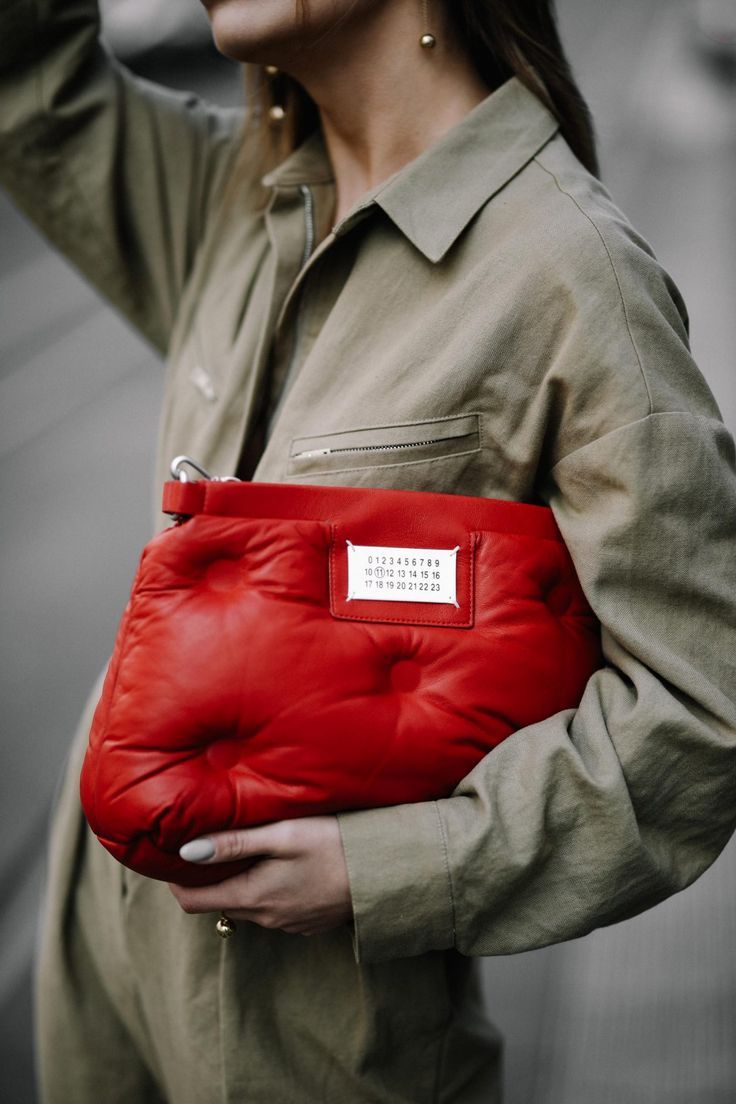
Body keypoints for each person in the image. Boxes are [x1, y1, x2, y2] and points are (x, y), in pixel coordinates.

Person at [2, 1, 735, 1101]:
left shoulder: (570, 275)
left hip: (314, 1052)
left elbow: (699, 708)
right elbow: (26, 76)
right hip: (97, 1008)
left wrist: (393, 869)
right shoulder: (232, 199)